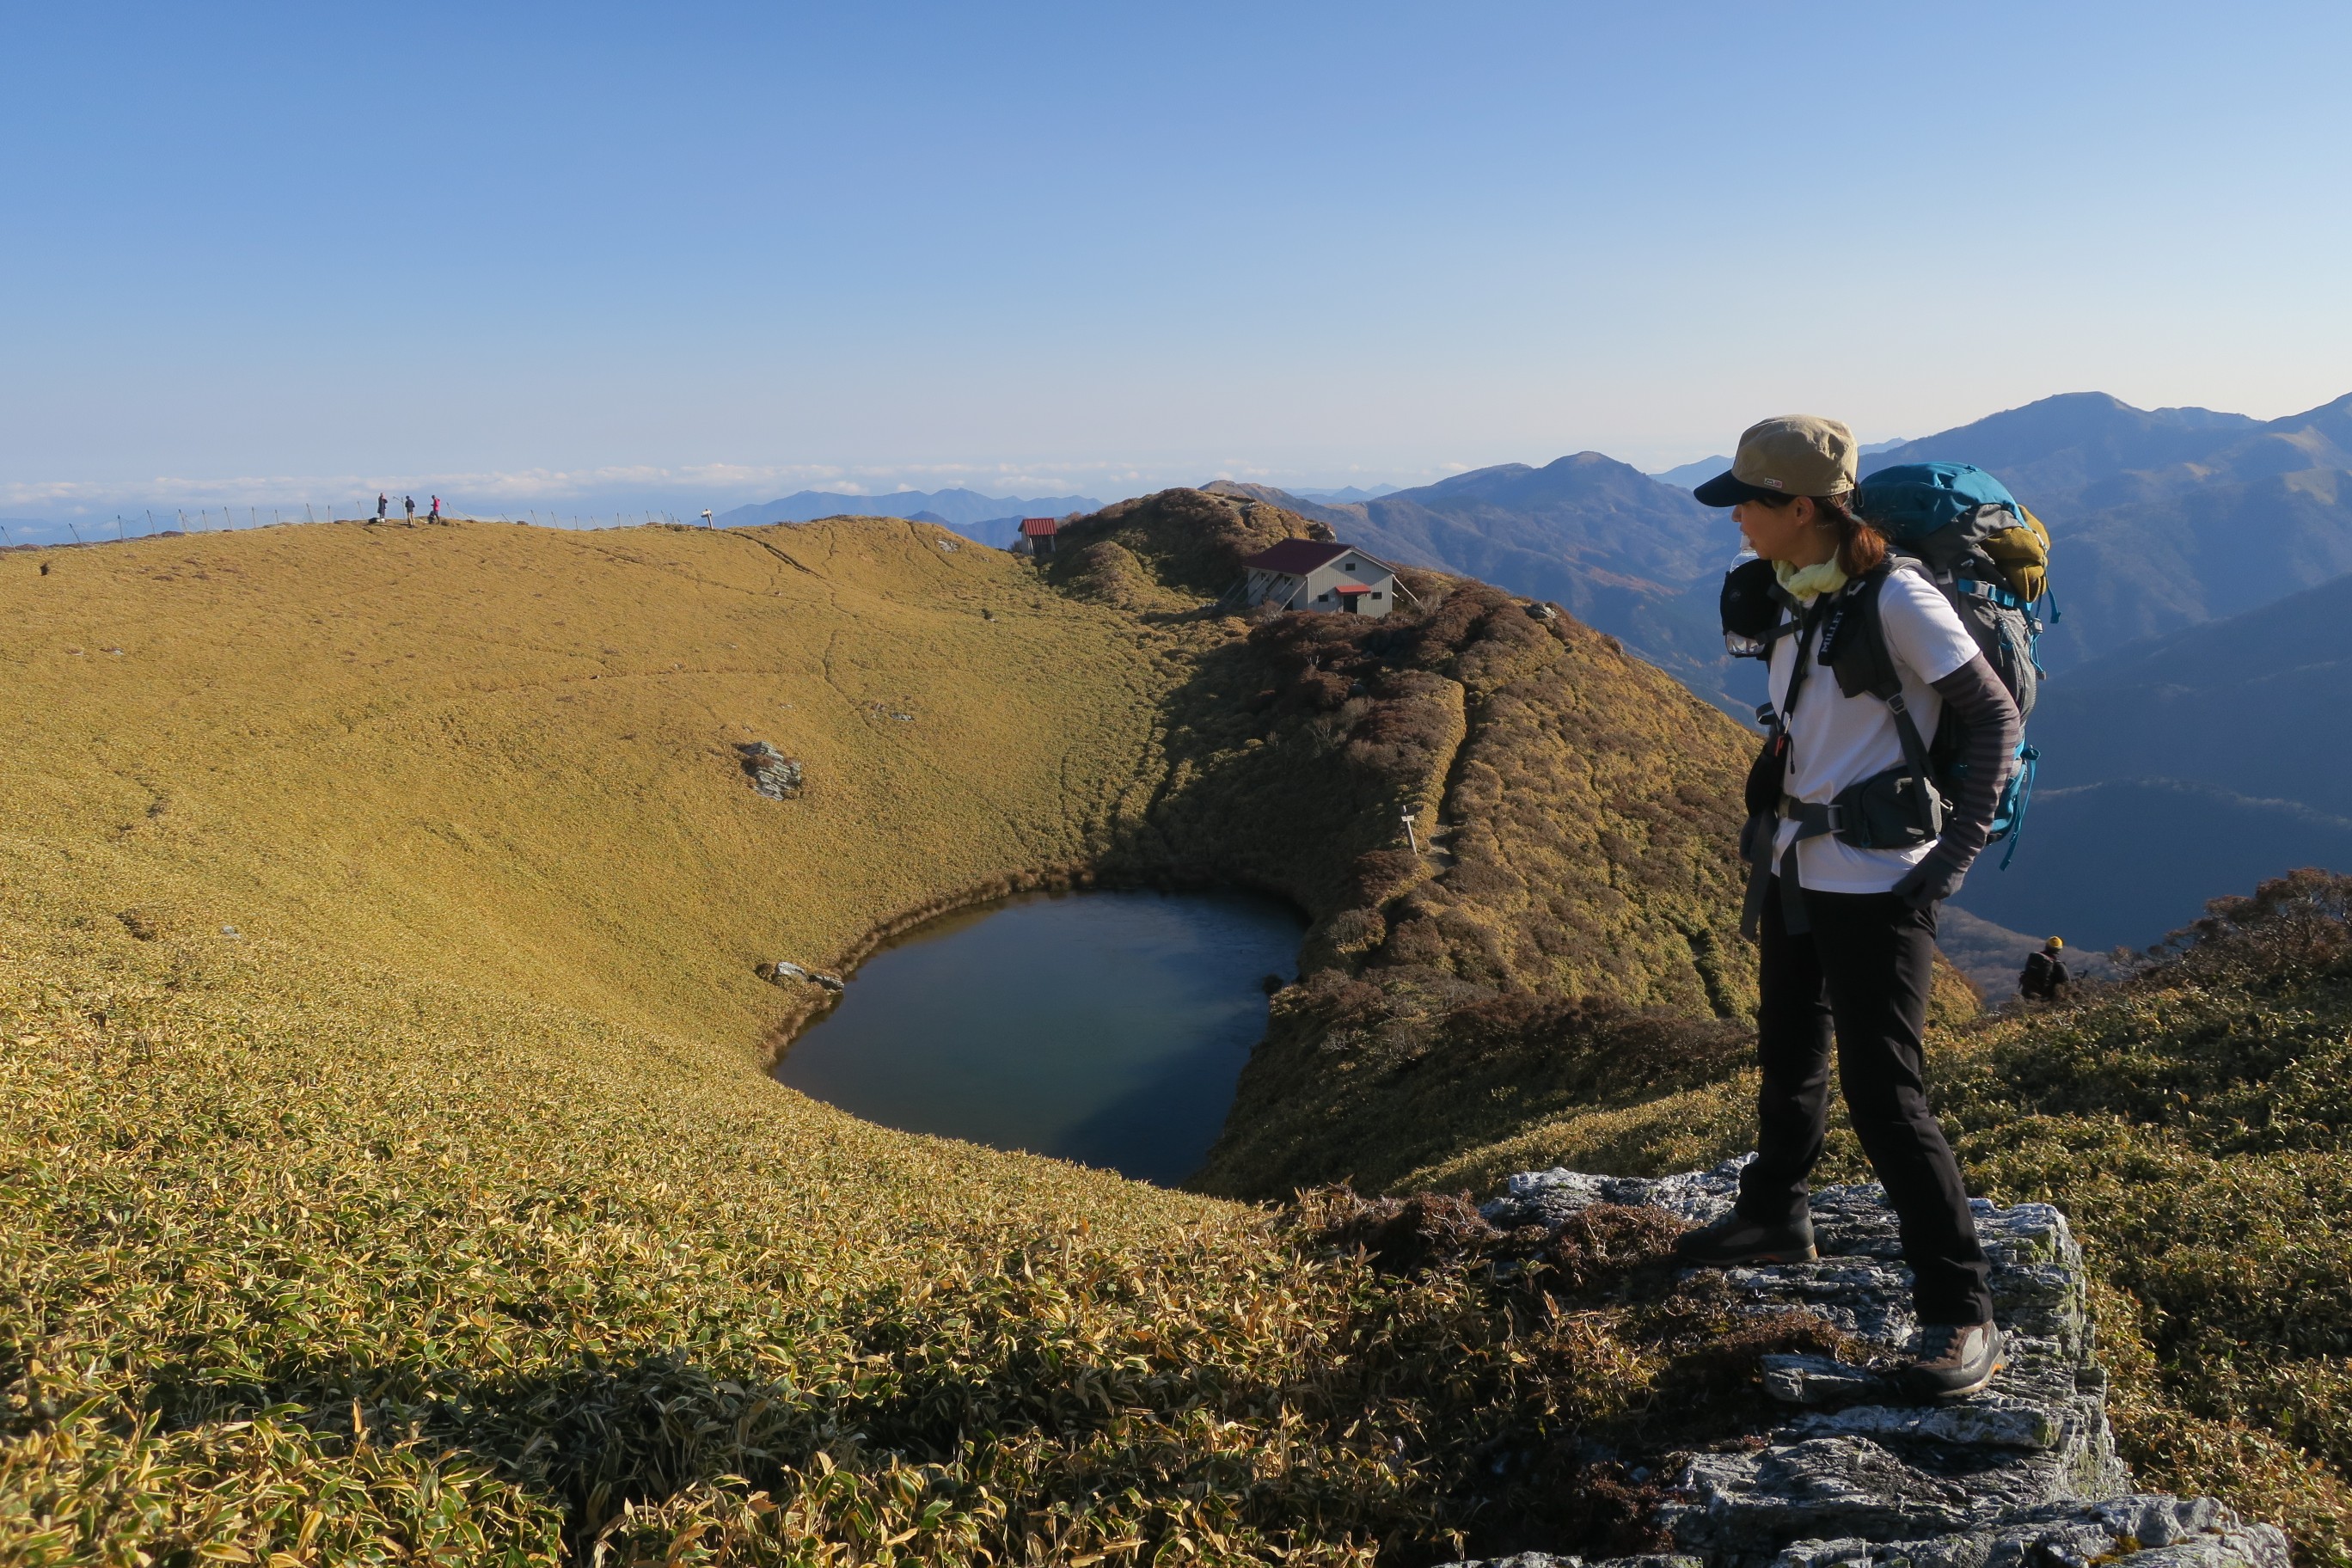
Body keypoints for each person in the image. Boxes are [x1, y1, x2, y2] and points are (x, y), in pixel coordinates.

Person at [1672, 415, 2024, 1400]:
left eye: (1748, 502)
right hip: (1801, 860)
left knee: (1886, 1092)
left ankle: (1960, 1311)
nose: (1735, 518)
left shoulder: (1898, 598)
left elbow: (1989, 713)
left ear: (1802, 509)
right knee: (1788, 1047)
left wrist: (1954, 854)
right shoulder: (1798, 596)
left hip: (1880, 877)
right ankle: (1775, 1215)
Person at [2019, 937, 2069, 1002]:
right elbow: (2067, 983)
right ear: (2059, 950)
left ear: (2046, 946)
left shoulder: (2034, 957)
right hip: (2045, 999)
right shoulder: (2058, 965)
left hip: (2027, 994)